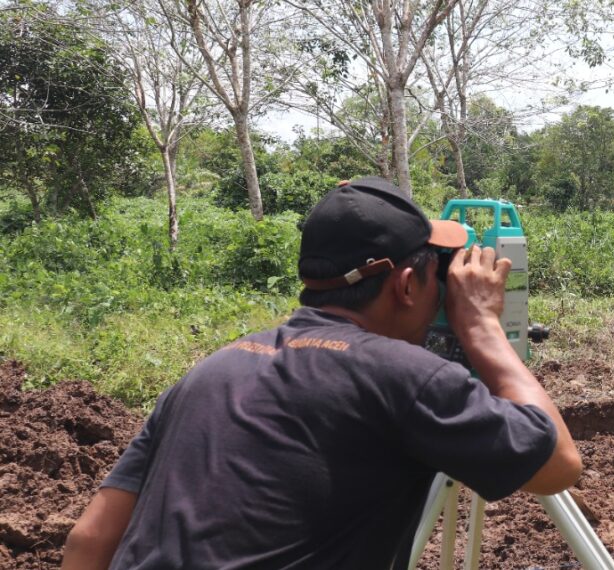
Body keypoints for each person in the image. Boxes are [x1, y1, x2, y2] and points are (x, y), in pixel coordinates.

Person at [61, 176, 583, 569]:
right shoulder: (407, 377)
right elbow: (558, 465)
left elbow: (90, 538)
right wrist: (483, 328)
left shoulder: (212, 369)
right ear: (406, 286)